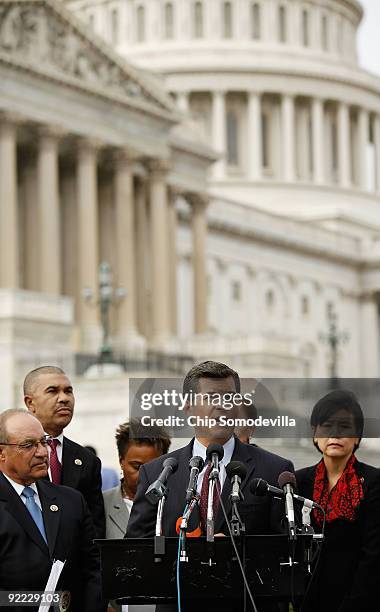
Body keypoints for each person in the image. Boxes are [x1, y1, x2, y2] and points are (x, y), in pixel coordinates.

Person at [127, 361, 295, 611]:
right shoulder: (158, 473)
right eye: (211, 397)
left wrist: (236, 553)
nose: (221, 405)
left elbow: (287, 553)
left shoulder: (274, 469)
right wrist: (189, 557)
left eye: (229, 398)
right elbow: (136, 550)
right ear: (187, 407)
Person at [0, 408, 103, 611]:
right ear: (2, 453)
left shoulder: (72, 501)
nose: (42, 452)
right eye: (28, 445)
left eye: (43, 442)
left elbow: (93, 569)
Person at [296, 389, 380, 612]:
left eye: (344, 427)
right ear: (315, 434)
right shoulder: (297, 481)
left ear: (358, 436)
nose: (335, 433)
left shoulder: (374, 482)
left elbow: (374, 555)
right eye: (326, 425)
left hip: (361, 600)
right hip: (306, 600)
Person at [23, 365, 105, 538]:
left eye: (68, 391)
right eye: (52, 391)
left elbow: (95, 531)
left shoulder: (87, 461)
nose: (64, 399)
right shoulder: (11, 454)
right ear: (30, 403)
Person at [104, 419, 171, 612]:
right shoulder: (100, 505)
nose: (145, 475)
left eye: (153, 467)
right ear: (120, 460)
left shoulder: (177, 506)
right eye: (136, 466)